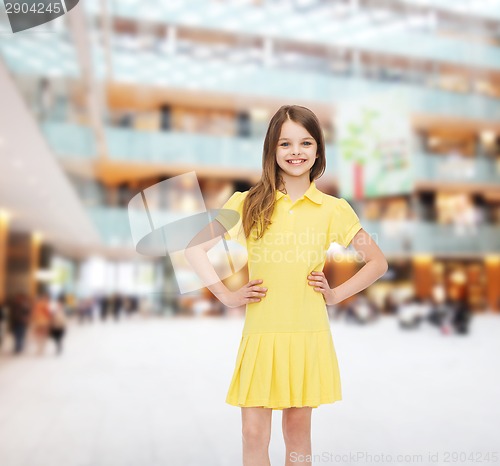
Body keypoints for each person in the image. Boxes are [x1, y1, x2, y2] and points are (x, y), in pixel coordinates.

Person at [185, 105, 388, 466]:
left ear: (318, 151)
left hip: (307, 332)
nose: (296, 152)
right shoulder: (246, 202)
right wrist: (228, 296)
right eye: (285, 144)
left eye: (305, 143)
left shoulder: (332, 208)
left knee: (297, 436)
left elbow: (377, 261)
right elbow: (195, 248)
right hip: (261, 333)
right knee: (252, 434)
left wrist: (336, 293)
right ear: (272, 151)